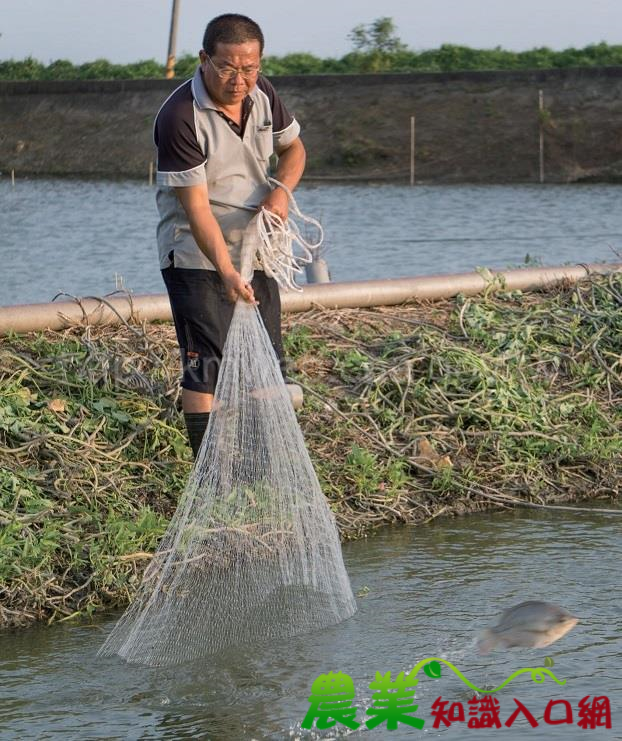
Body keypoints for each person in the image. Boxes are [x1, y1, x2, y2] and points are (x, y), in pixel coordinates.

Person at [154, 13, 306, 457]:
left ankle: (260, 464)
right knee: (206, 364)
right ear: (204, 59)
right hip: (195, 254)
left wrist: (280, 193)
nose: (240, 80)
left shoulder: (263, 95)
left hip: (256, 248)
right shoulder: (180, 115)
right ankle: (209, 469)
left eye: (250, 68)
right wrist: (224, 270)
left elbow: (294, 148)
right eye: (227, 68)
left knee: (266, 359)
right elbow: (196, 207)